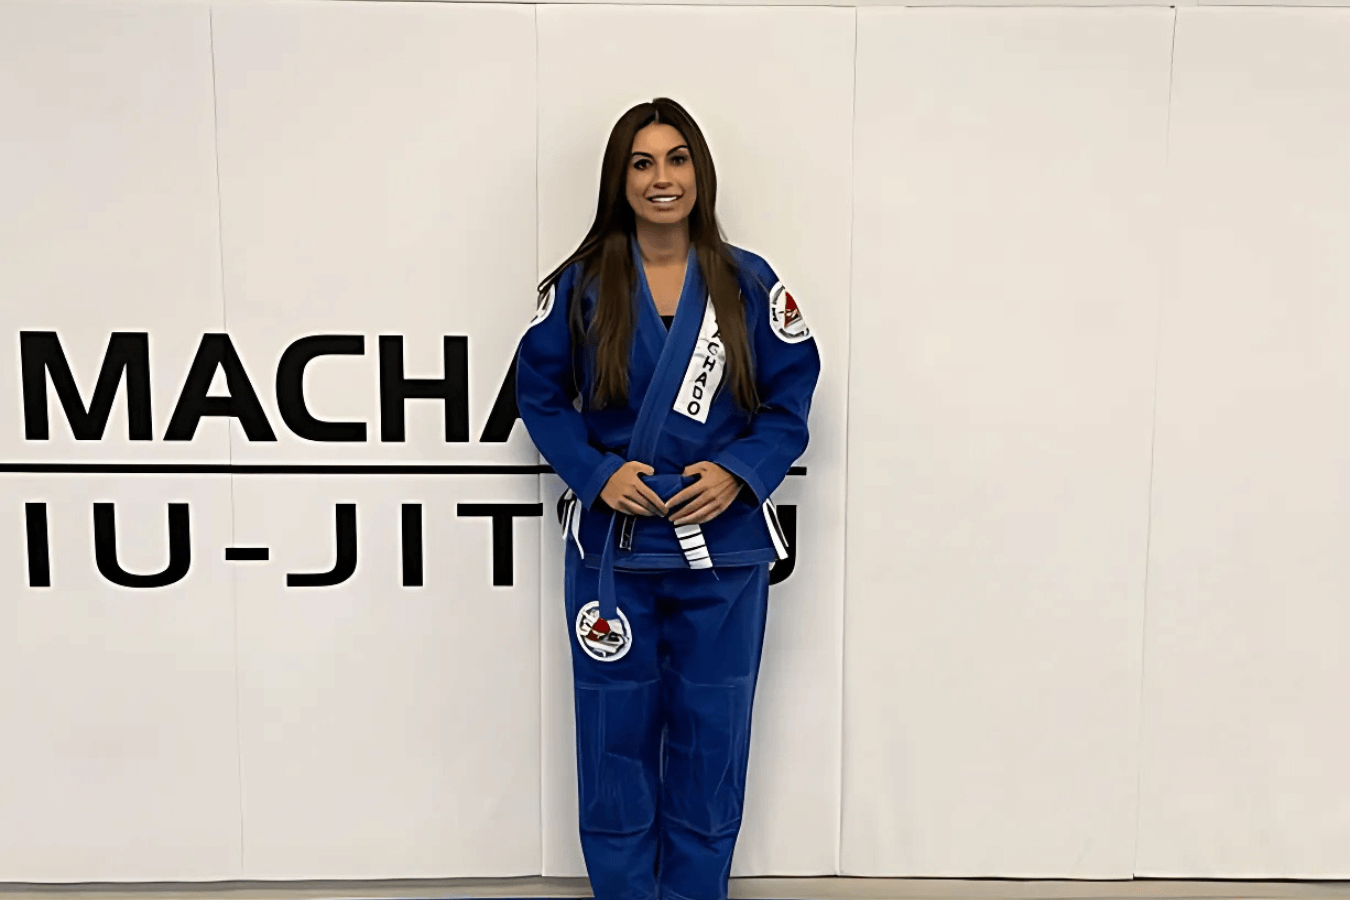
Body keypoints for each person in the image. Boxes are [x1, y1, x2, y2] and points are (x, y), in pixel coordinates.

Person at [515, 97, 820, 900]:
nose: (661, 178)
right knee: (612, 733)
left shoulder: (750, 283)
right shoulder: (580, 286)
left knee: (711, 735)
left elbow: (789, 407)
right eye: (642, 162)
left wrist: (740, 473)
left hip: (722, 551)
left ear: (700, 172)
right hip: (616, 548)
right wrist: (595, 472)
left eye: (677, 159)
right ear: (620, 178)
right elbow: (541, 399)